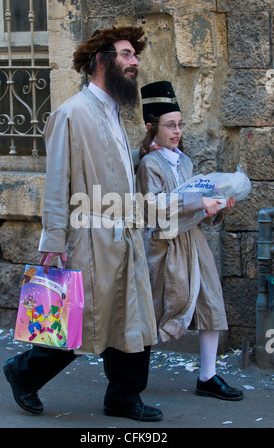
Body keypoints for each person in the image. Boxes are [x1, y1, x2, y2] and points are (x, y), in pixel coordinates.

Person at [3, 27, 163, 422]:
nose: (135, 62)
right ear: (101, 60)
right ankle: (23, 374)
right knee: (77, 321)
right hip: (89, 238)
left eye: (135, 56)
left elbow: (113, 172)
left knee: (134, 318)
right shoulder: (71, 113)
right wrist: (53, 240)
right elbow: (57, 181)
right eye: (127, 54)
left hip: (124, 235)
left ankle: (124, 398)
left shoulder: (114, 114)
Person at [136, 80, 244, 401]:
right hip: (165, 246)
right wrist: (199, 203)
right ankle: (130, 382)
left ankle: (207, 377)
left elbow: (196, 204)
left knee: (210, 303)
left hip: (194, 243)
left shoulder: (183, 161)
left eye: (180, 125)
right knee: (155, 310)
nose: (177, 131)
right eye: (170, 125)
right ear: (151, 127)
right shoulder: (149, 164)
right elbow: (153, 208)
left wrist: (217, 207)